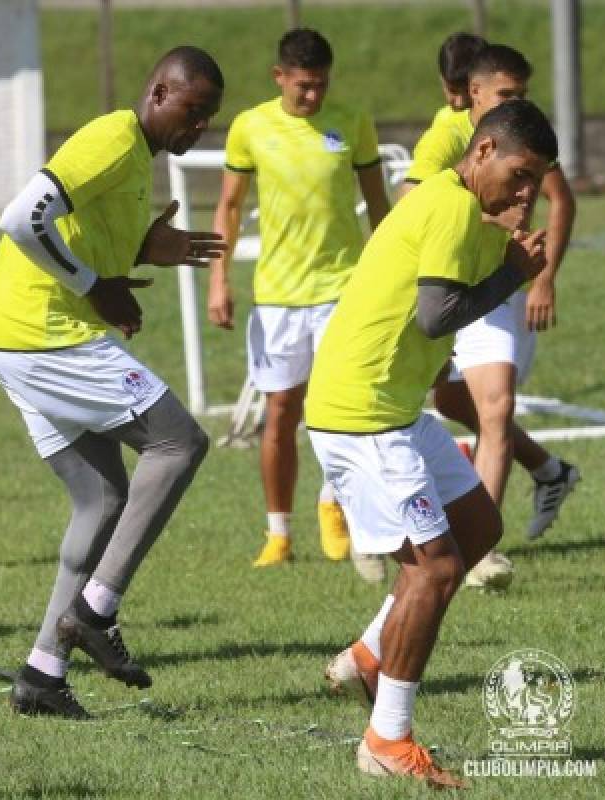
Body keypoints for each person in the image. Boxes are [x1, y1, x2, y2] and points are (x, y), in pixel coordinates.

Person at [0, 46, 225, 719]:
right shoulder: (114, 138)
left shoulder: (136, 157)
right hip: (39, 332)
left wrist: (144, 248)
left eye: (208, 118)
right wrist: (95, 289)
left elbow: (86, 231)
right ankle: (94, 612)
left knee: (103, 497)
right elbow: (21, 217)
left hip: (12, 336)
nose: (197, 127)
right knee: (179, 443)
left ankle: (42, 675)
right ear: (158, 91)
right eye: (191, 110)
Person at [312, 99, 557, 786]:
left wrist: (505, 256)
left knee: (479, 523)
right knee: (437, 570)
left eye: (536, 180)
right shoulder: (449, 206)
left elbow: (427, 312)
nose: (526, 191)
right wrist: (514, 275)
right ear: (482, 153)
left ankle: (366, 655)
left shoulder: (471, 212)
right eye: (519, 173)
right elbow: (434, 314)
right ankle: (386, 740)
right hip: (363, 415)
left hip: (394, 411)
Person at [206, 28, 390, 572]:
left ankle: (336, 506)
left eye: (321, 86)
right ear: (279, 77)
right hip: (279, 296)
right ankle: (278, 534)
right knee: (280, 412)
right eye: (303, 86)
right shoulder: (250, 127)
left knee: (342, 410)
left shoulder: (353, 121)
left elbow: (379, 207)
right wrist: (219, 279)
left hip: (344, 288)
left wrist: (392, 278)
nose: (313, 97)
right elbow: (229, 208)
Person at [402, 44, 580, 588]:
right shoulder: (445, 137)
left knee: (496, 408)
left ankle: (481, 550)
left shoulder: (524, 135)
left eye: (522, 93)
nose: (518, 101)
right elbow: (411, 198)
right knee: (455, 402)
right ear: (473, 94)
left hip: (503, 288)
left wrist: (545, 275)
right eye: (507, 93)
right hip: (453, 284)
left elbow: (561, 198)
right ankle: (550, 471)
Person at [435, 32, 489, 113]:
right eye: (453, 91)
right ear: (441, 80)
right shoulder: (444, 121)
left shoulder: (501, 120)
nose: (461, 103)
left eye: (470, 91)